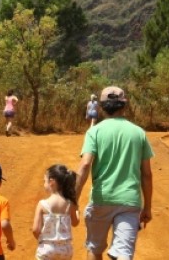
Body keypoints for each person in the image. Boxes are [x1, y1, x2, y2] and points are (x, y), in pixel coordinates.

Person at [75, 86, 154, 260]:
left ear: (101, 106)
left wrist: (73, 199)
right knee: (123, 253)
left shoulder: (94, 132)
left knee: (95, 248)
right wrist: (147, 207)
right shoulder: (138, 133)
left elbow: (85, 164)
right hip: (129, 201)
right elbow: (146, 174)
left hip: (101, 199)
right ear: (124, 105)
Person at [32, 164, 80, 260]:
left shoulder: (42, 204)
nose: (43, 183)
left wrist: (42, 241)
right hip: (65, 250)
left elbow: (35, 230)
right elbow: (75, 223)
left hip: (47, 249)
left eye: (44, 181)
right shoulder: (70, 204)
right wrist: (77, 213)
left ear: (51, 182)